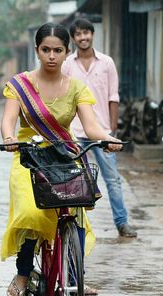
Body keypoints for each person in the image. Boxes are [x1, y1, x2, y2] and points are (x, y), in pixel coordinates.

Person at [0, 22, 122, 296]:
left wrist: (108, 138)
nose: (51, 56)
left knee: (76, 207)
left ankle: (74, 277)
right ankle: (22, 273)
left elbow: (91, 126)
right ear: (37, 51)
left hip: (63, 155)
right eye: (46, 50)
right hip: (28, 155)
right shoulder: (20, 85)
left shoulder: (77, 87)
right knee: (32, 211)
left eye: (57, 50)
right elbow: (8, 119)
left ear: (67, 52)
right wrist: (9, 137)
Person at [62, 18, 137, 238]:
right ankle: (72, 227)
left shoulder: (107, 63)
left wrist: (112, 129)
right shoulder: (67, 64)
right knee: (72, 180)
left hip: (102, 131)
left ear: (92, 34)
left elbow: (113, 96)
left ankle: (122, 223)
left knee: (112, 179)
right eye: (78, 34)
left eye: (86, 33)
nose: (83, 37)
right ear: (73, 38)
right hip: (75, 132)